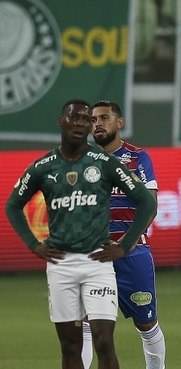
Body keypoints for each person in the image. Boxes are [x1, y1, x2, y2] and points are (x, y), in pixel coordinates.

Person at [5, 100, 156, 369]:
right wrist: (33, 244)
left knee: (104, 340)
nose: (81, 124)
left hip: (97, 263)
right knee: (70, 345)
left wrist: (124, 246)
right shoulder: (44, 166)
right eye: (74, 119)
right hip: (61, 265)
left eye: (86, 120)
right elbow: (13, 205)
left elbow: (147, 201)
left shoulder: (105, 163)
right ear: (60, 122)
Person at [80, 100, 166, 369]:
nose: (98, 124)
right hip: (93, 255)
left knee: (146, 323)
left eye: (104, 118)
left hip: (132, 252)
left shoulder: (138, 158)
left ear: (120, 122)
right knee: (83, 322)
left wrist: (124, 245)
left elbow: (149, 205)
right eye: (93, 120)